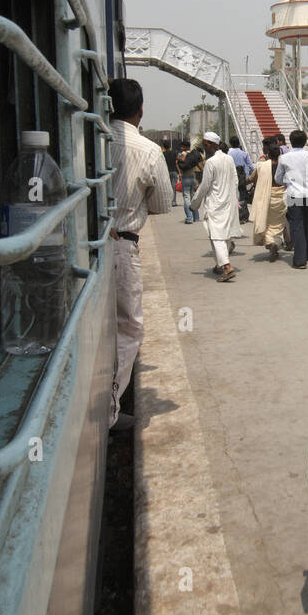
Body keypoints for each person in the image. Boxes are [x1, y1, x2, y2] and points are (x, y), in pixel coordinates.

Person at [107, 79, 174, 427]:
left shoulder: (91, 140)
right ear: (141, 110)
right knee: (128, 328)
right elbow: (163, 203)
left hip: (92, 240)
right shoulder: (148, 150)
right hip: (123, 246)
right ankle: (110, 410)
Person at [189, 132, 243, 281]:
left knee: (216, 236)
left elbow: (205, 186)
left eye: (206, 144)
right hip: (228, 202)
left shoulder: (211, 163)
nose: (204, 147)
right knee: (223, 235)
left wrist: (194, 204)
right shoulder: (229, 159)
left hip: (215, 204)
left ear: (214, 145)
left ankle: (227, 266)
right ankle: (219, 265)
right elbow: (235, 181)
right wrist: (231, 195)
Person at [274, 129, 308, 268]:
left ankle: (299, 260)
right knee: (307, 223)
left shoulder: (284, 158)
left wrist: (287, 182)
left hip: (293, 194)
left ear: (290, 142)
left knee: (296, 226)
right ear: (305, 142)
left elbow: (278, 178)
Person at [247, 141, 287, 260]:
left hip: (266, 198)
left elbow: (251, 178)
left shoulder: (261, 166)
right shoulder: (284, 165)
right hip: (281, 197)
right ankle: (276, 242)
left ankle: (271, 243)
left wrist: (242, 183)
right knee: (278, 225)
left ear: (268, 154)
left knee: (267, 223)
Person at [227, 136, 254, 223]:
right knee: (242, 196)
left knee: (234, 196)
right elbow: (251, 167)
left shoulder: (228, 154)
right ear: (239, 143)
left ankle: (236, 215)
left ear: (231, 144)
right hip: (243, 179)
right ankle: (244, 216)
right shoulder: (244, 154)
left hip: (232, 178)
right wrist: (252, 178)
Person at [178, 139, 202, 224]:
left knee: (186, 197)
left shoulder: (184, 153)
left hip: (186, 177)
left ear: (184, 147)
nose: (181, 148)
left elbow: (182, 162)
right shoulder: (193, 154)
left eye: (182, 146)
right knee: (192, 197)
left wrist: (179, 158)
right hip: (193, 177)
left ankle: (189, 217)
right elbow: (198, 165)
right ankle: (196, 216)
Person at [162, 139, 179, 206]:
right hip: (174, 171)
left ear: (164, 147)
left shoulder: (163, 154)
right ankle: (173, 201)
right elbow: (177, 162)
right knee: (173, 187)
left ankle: (167, 202)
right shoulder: (174, 153)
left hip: (166, 172)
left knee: (166, 187)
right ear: (169, 146)